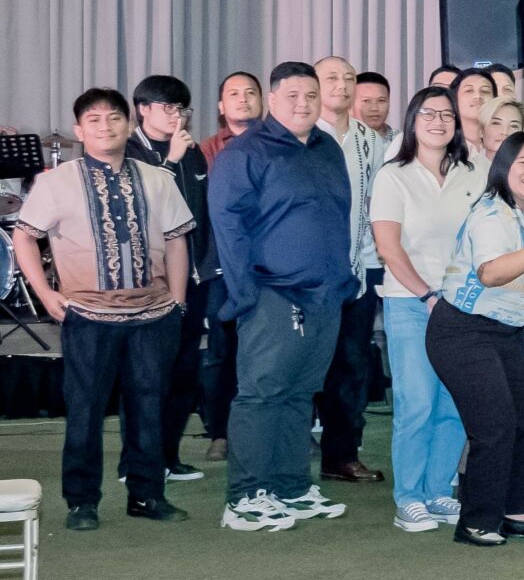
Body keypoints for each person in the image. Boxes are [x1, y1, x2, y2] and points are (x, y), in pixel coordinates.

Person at [10, 88, 196, 531]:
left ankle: (147, 495)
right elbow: (24, 236)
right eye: (93, 120)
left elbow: (176, 240)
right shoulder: (55, 182)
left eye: (114, 118)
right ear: (79, 131)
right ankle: (81, 502)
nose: (105, 126)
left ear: (128, 125)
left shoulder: (157, 178)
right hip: (87, 315)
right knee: (86, 409)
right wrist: (45, 294)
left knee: (149, 405)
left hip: (153, 315)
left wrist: (178, 300)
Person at [206, 62, 357, 535]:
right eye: (292, 95)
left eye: (311, 95)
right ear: (271, 100)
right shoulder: (245, 152)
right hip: (271, 292)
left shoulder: (327, 148)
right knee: (262, 394)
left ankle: (291, 488)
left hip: (326, 294)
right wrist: (247, 293)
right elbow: (228, 227)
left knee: (299, 394)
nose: (303, 104)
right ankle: (246, 497)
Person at [425, 132, 524, 548]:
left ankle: (519, 511)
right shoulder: (493, 213)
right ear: (503, 167)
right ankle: (476, 521)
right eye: (523, 162)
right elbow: (490, 273)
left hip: (500, 334)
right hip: (462, 331)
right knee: (496, 422)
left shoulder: (523, 214)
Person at [367, 86, 486, 532]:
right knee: (417, 403)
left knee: (455, 403)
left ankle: (438, 491)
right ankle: (409, 498)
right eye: (429, 114)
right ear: (413, 121)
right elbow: (389, 248)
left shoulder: (473, 172)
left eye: (447, 115)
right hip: (411, 303)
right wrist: (428, 296)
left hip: (463, 306)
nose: (438, 122)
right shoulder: (393, 176)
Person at [128, 74, 219, 473]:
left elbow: (201, 213)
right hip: (148, 282)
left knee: (183, 372)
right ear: (143, 109)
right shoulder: (128, 151)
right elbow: (145, 208)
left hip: (193, 278)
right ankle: (137, 462)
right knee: (147, 376)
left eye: (182, 109)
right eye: (167, 107)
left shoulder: (193, 153)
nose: (176, 116)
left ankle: (168, 456)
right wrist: (171, 161)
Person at [309, 56, 386, 485]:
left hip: (361, 268)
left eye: (348, 78)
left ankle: (341, 455)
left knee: (352, 363)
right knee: (305, 363)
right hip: (307, 276)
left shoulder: (370, 141)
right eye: (331, 77)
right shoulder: (301, 135)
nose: (341, 85)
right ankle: (289, 454)